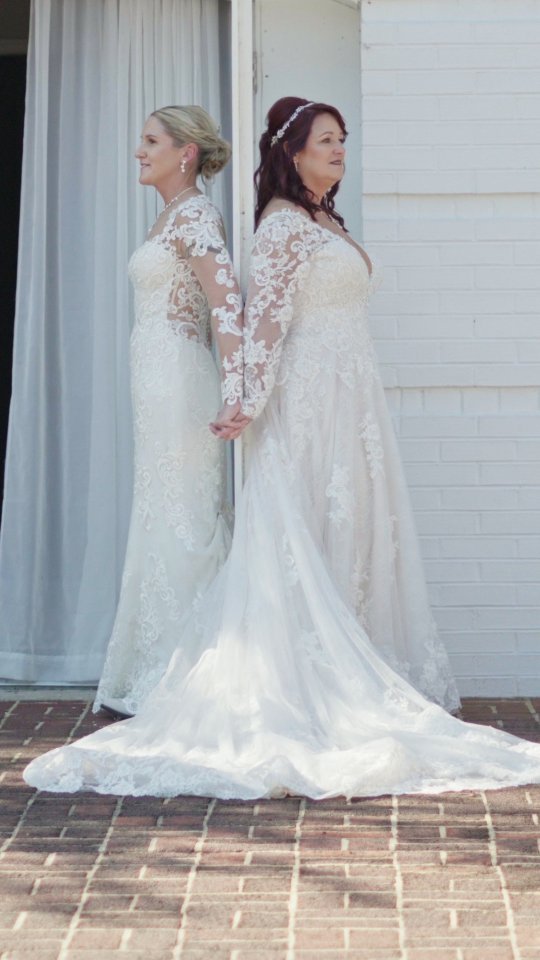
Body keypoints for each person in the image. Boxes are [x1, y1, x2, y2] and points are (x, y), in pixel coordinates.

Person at [24, 98, 540, 799]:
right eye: (326, 141)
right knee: (305, 535)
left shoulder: (322, 223)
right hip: (306, 403)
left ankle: (347, 665)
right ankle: (299, 674)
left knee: (351, 533)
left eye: (343, 140)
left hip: (346, 401)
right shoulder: (280, 226)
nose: (340, 150)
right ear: (292, 153)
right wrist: (247, 397)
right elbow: (262, 320)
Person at [94, 105, 247, 718]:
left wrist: (236, 391)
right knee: (164, 508)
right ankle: (161, 661)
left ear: (186, 152)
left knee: (185, 513)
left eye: (150, 140)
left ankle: (194, 669)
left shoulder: (196, 215)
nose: (139, 151)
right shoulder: (169, 216)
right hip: (156, 381)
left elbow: (226, 302)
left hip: (181, 382)